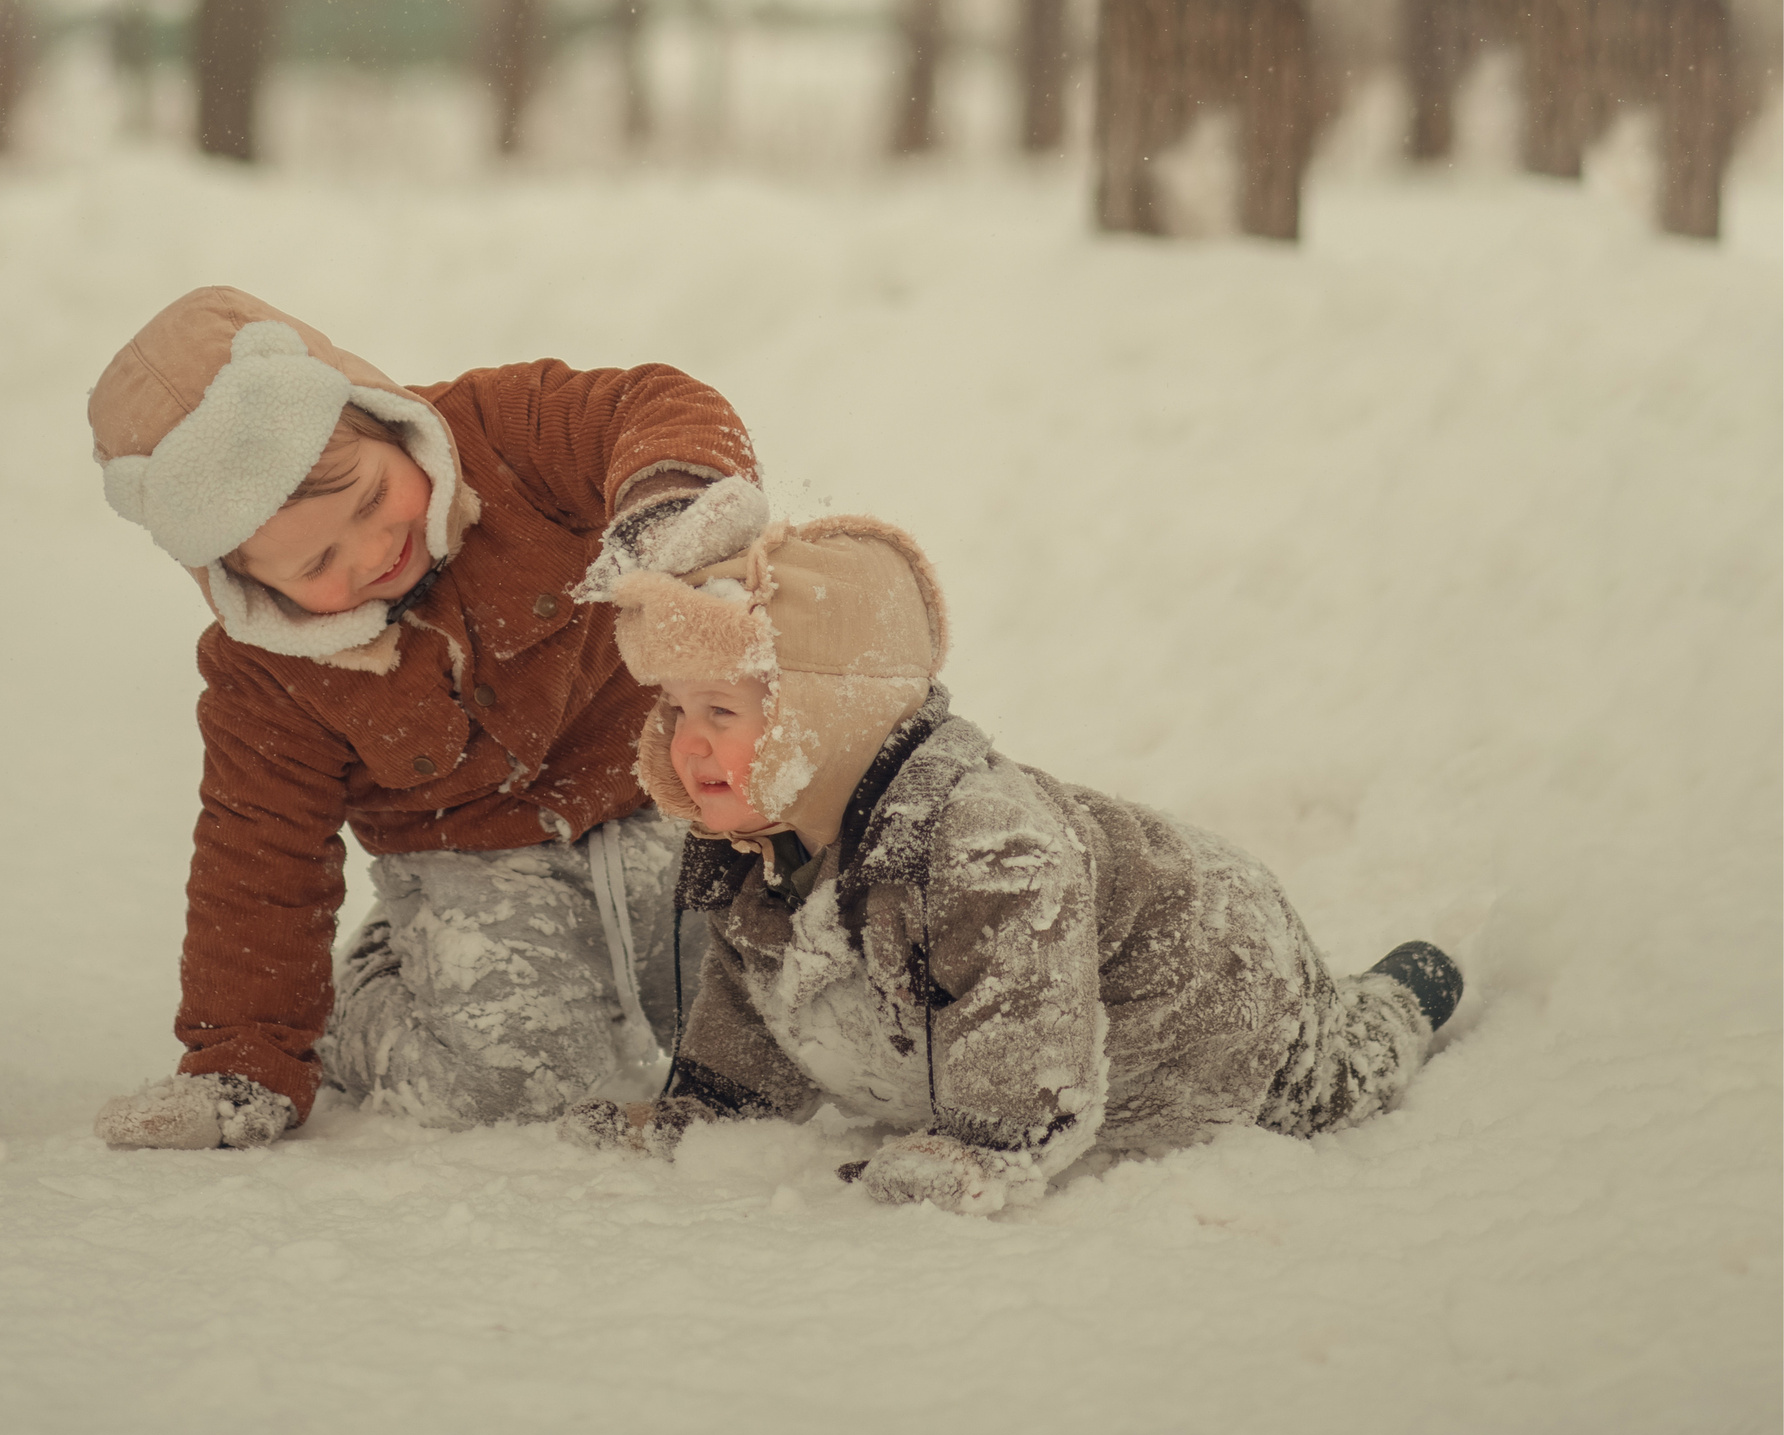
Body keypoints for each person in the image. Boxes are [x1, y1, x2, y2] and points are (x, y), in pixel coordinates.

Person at [559, 513, 1465, 1213]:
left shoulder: (987, 847)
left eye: (720, 711)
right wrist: (713, 1105)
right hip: (1126, 963)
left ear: (825, 715)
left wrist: (985, 1146)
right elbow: (761, 990)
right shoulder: (760, 836)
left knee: (1335, 1071)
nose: (686, 743)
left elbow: (1019, 999)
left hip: (1224, 974)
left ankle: (1404, 994)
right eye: (675, 711)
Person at [87, 286, 773, 1148]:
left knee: (754, 1008)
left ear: (380, 420)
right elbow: (258, 858)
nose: (374, 550)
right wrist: (245, 1056)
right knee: (514, 1080)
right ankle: (375, 991)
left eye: (373, 498)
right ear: (247, 582)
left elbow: (648, 403)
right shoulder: (265, 676)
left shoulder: (499, 433)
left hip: (655, 796)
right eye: (317, 561)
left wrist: (670, 496)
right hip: (470, 862)